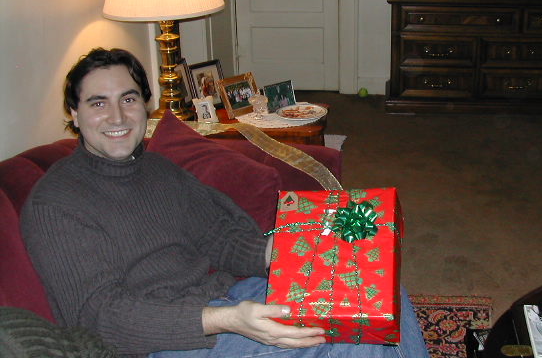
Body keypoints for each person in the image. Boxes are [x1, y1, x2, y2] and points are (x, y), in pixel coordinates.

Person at [20, 48, 429, 358]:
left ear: (143, 105)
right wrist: (229, 320)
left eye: (128, 99)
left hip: (228, 299)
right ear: (74, 113)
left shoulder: (158, 169)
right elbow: (100, 317)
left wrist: (280, 251)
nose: (117, 117)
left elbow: (219, 236)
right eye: (98, 103)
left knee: (372, 288)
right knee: (344, 339)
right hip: (170, 339)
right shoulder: (56, 203)